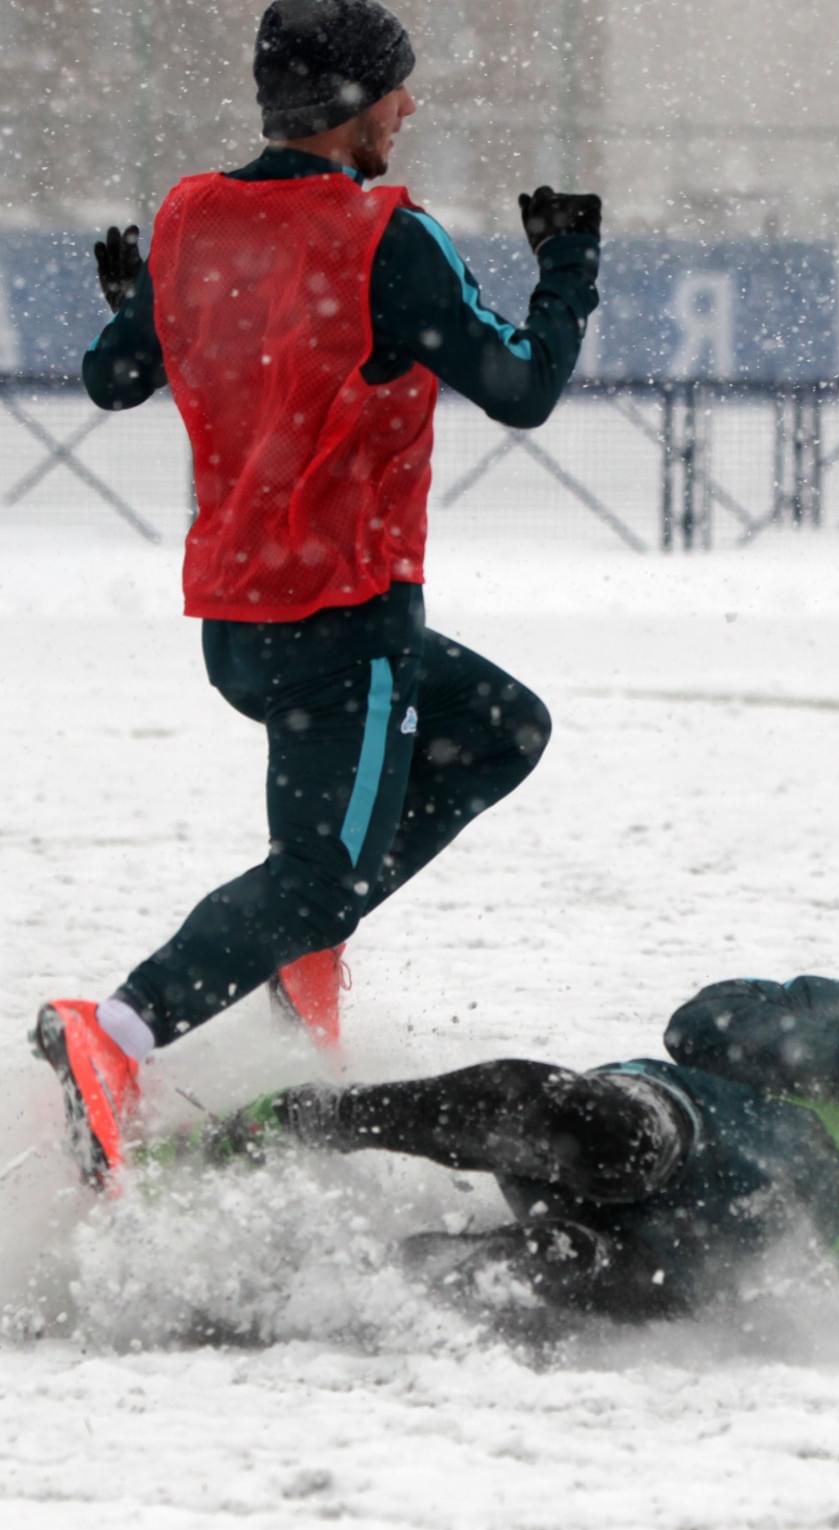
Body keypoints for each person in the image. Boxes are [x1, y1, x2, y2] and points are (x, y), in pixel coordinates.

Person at [32, 0, 603, 1181]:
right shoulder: (385, 233)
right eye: (398, 87)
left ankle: (302, 943)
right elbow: (523, 388)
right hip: (347, 622)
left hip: (239, 625)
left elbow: (111, 376)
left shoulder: (191, 213)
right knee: (318, 870)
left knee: (505, 726)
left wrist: (143, 297)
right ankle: (118, 1030)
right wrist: (569, 272)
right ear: (352, 107)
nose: (411, 106)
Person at [126, 943, 839, 1323]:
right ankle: (298, 1120)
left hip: (754, 1245)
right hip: (716, 1127)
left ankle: (270, 1284)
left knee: (565, 1272)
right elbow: (709, 1018)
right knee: (596, 1132)